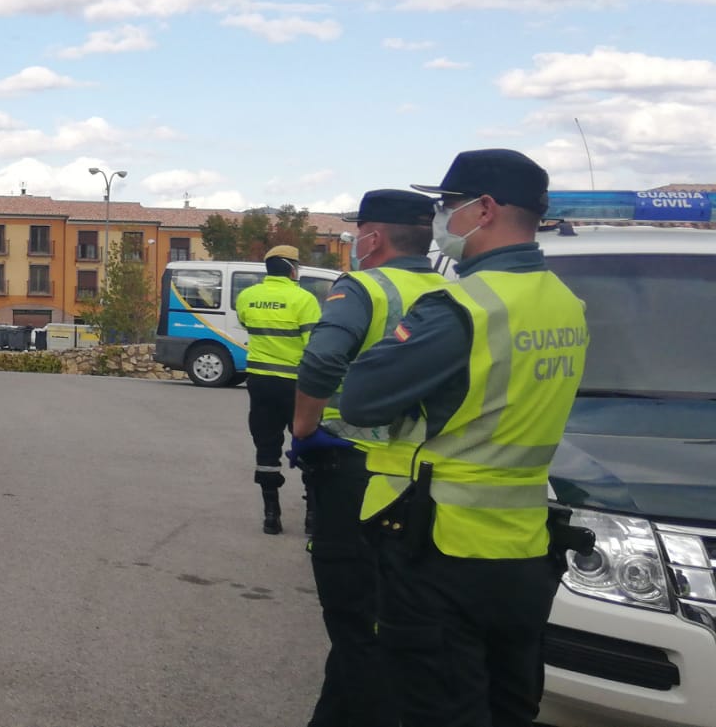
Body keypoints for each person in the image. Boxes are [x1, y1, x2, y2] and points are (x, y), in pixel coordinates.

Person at [337, 149, 587, 727]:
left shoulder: (461, 308)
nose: (444, 218)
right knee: (509, 705)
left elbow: (360, 397)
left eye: (450, 205)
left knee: (437, 707)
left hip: (441, 547)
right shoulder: (565, 304)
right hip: (523, 550)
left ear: (486, 209)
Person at [289, 189, 443, 727]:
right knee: (381, 619)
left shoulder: (364, 286)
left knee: (355, 624)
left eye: (359, 234)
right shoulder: (451, 291)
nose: (356, 243)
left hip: (353, 466)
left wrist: (304, 428)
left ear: (373, 239)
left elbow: (324, 356)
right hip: (424, 477)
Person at [234, 245, 321, 534]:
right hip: (296, 385)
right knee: (310, 446)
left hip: (259, 383)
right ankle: (312, 517)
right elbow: (314, 345)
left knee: (266, 447)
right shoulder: (304, 299)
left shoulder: (248, 296)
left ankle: (271, 516)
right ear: (291, 267)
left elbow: (245, 322)